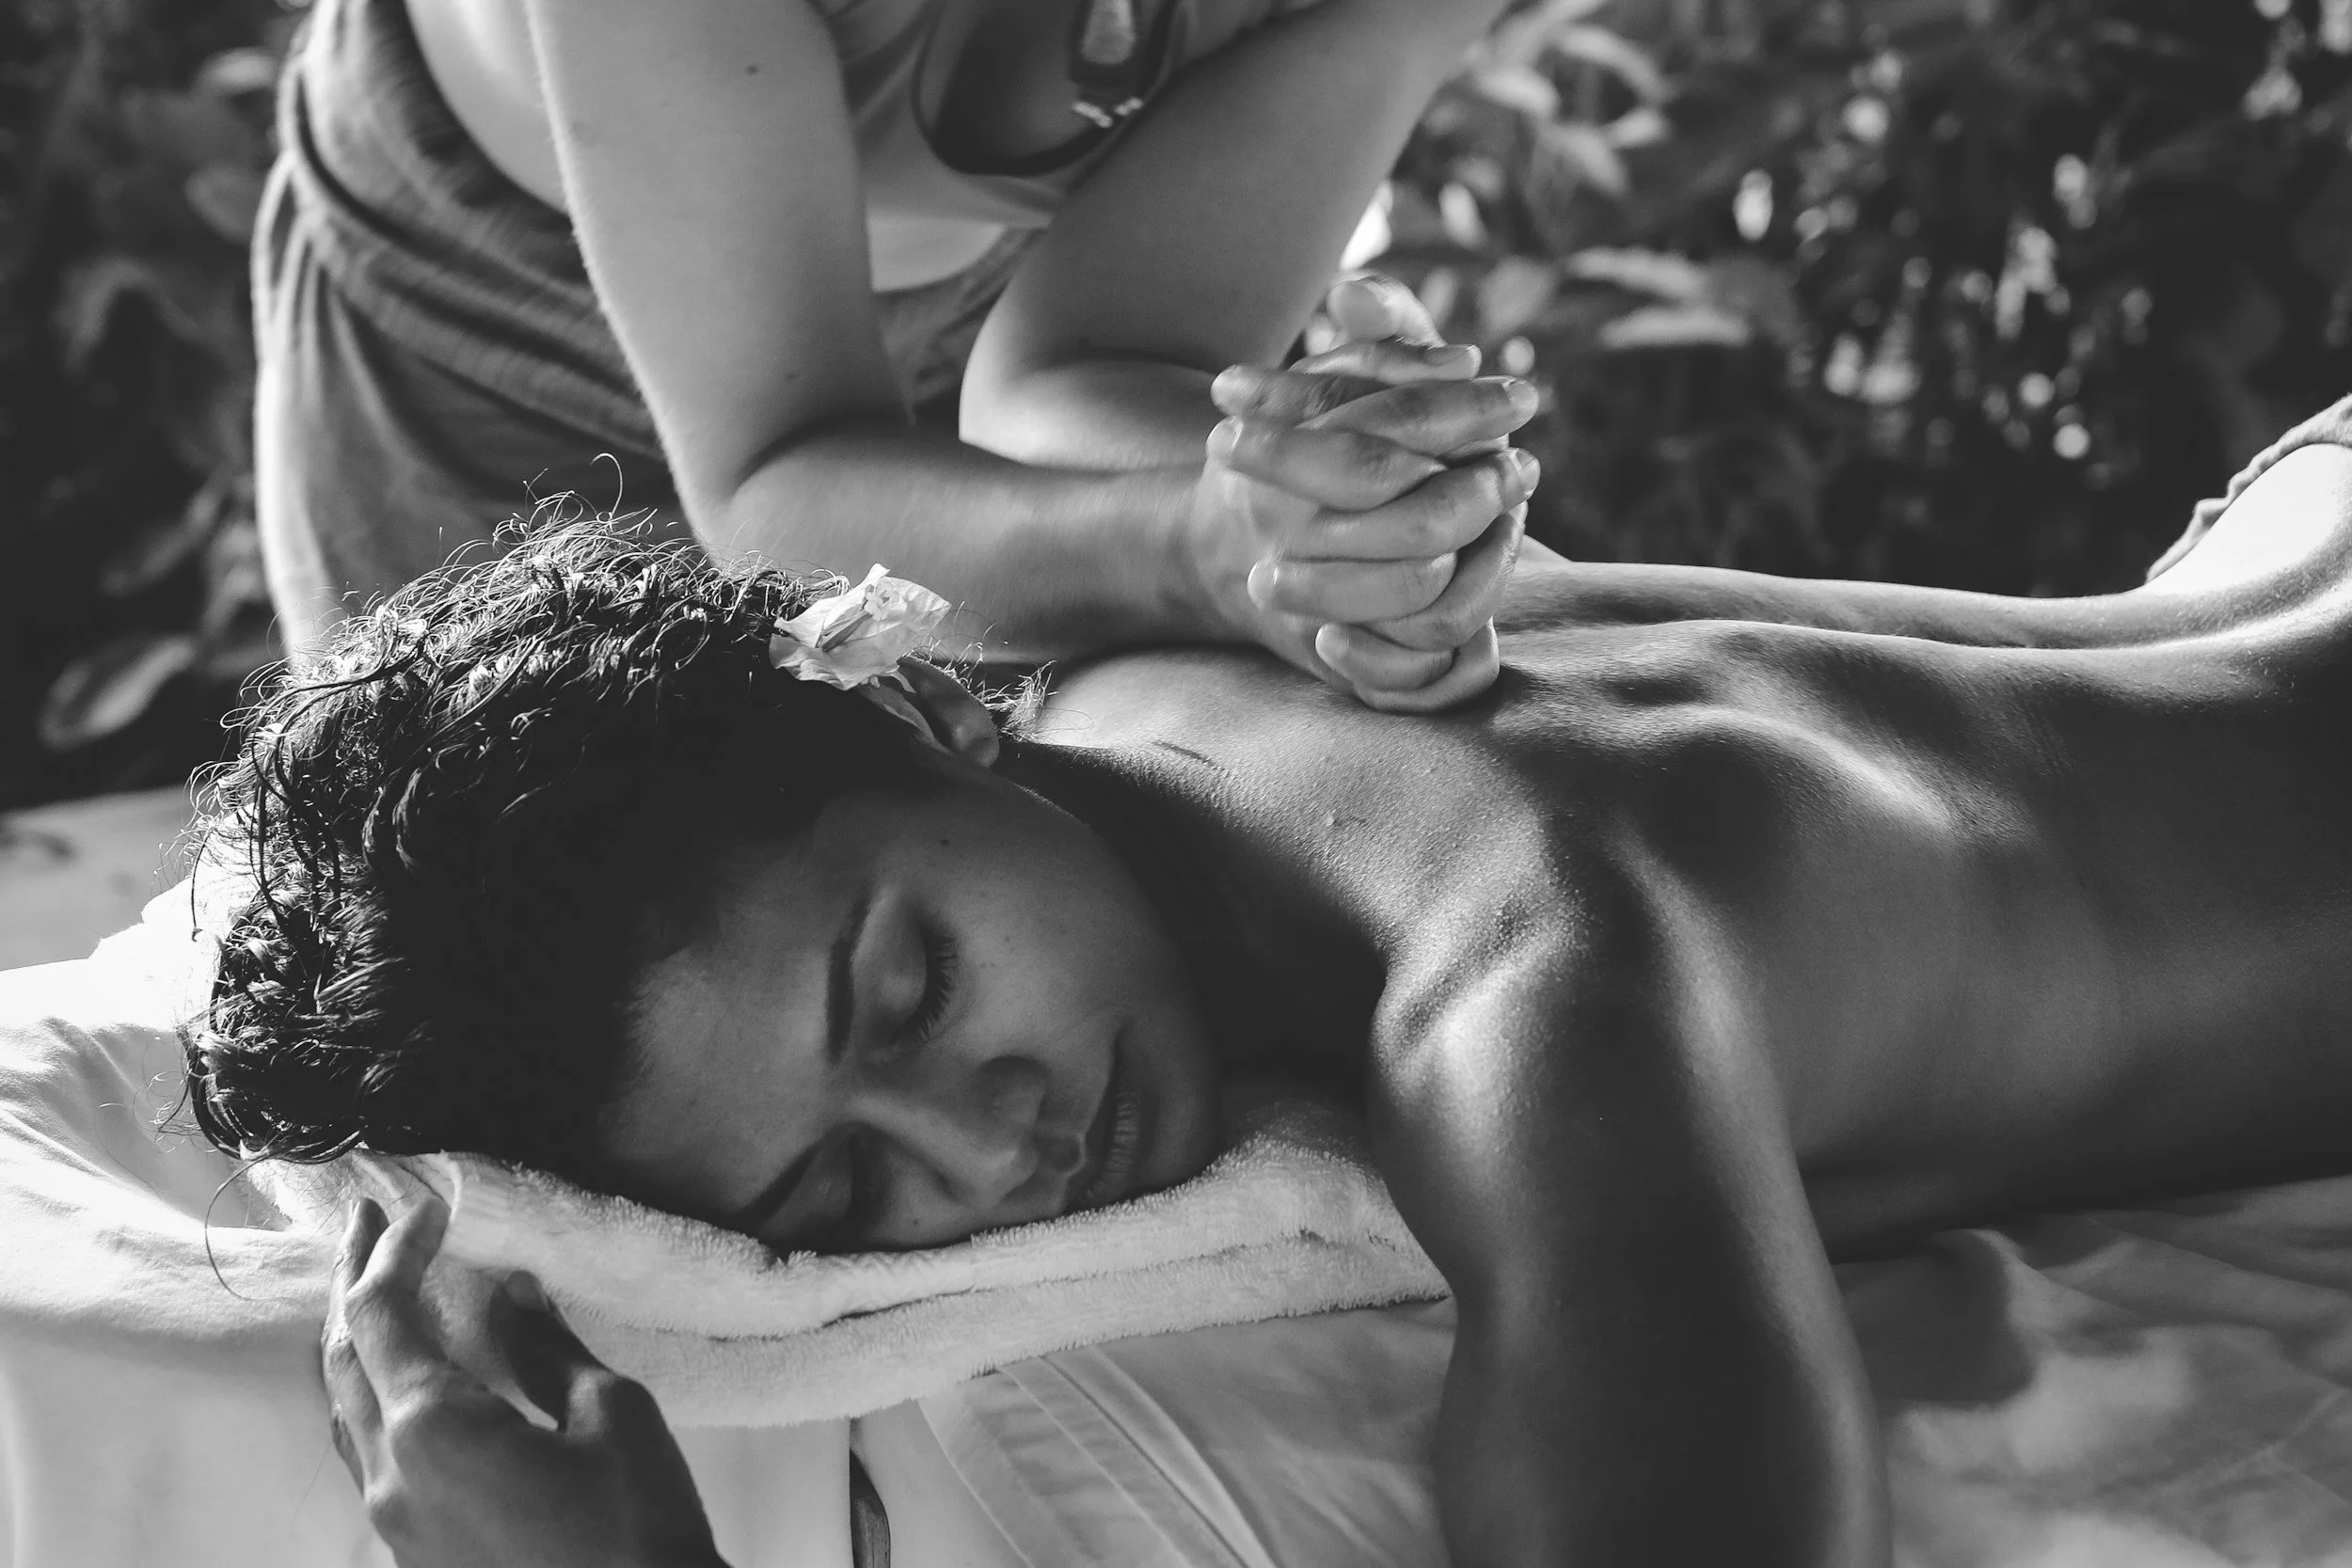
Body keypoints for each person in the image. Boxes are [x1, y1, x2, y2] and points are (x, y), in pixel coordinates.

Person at [189, 389, 2352, 1566]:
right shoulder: (1152, 660)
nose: (989, 1147)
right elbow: (1081, 341)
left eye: (911, 989)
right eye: (840, 1197)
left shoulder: (1535, 984)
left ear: (934, 711)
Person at [253, 0, 1537, 710]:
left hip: (943, 304)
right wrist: (1188, 546)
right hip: (477, 318)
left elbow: (1106, 361)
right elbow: (780, 474)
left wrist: (1324, 508)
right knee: (502, 914)